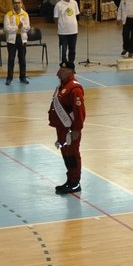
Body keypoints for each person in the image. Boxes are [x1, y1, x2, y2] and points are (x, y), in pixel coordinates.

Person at [49, 62, 85, 195]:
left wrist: (76, 129)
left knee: (72, 154)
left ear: (71, 72)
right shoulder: (63, 85)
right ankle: (70, 180)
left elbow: (79, 111)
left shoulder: (74, 88)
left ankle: (75, 183)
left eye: (63, 70)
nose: (60, 72)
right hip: (62, 128)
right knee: (66, 154)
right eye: (60, 69)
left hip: (70, 129)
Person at [1, 0, 31, 85]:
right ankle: (9, 78)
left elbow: (28, 27)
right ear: (13, 4)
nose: (17, 4)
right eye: (15, 3)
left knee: (22, 59)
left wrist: (21, 27)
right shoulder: (8, 14)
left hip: (22, 39)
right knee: (11, 59)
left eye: (18, 3)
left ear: (21, 4)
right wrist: (17, 28)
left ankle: (23, 77)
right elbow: (6, 28)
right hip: (12, 39)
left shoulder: (25, 14)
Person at [53, 0, 80, 70]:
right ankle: (64, 67)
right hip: (63, 32)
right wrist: (60, 27)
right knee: (63, 50)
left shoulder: (74, 3)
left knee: (72, 50)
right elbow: (55, 18)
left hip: (73, 31)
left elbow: (76, 15)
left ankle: (71, 67)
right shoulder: (58, 5)